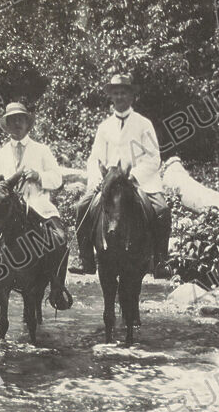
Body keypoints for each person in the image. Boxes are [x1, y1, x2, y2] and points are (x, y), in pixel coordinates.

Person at [68, 74, 174, 280]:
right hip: (108, 181)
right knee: (83, 207)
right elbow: (94, 158)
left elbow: (154, 158)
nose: (119, 97)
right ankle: (86, 259)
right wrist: (96, 179)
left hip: (138, 181)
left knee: (162, 209)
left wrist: (134, 176)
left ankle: (161, 260)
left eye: (123, 93)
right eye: (115, 93)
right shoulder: (104, 127)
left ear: (132, 96)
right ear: (111, 97)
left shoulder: (144, 124)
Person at [0, 102, 73, 310]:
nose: (17, 124)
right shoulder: (0, 154)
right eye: (12, 120)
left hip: (38, 205)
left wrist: (39, 176)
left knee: (59, 239)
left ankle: (57, 289)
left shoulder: (41, 150)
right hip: (7, 211)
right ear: (8, 125)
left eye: (20, 119)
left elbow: (57, 178)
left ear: (27, 124)